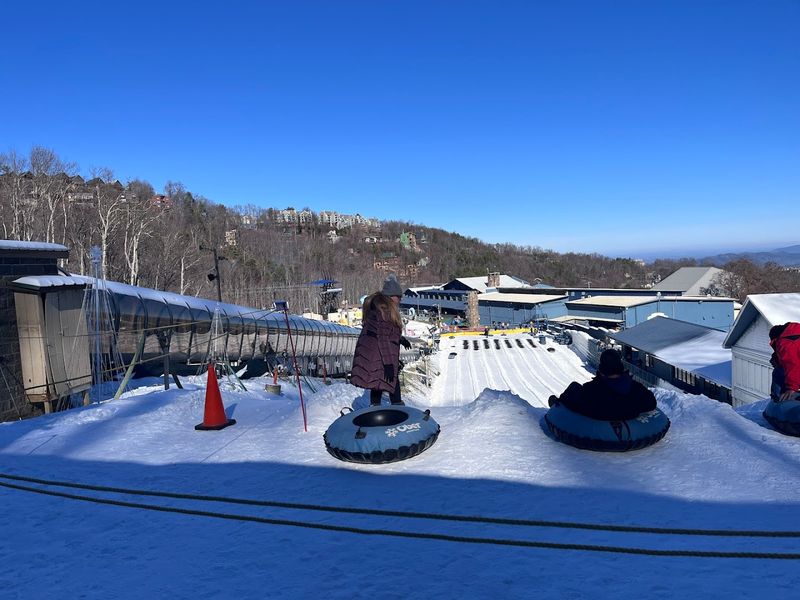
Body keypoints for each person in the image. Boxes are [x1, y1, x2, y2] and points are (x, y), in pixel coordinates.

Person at [350, 274, 412, 406]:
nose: (400, 300)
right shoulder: (384, 311)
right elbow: (383, 339)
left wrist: (400, 339)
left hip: (373, 353)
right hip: (377, 353)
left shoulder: (380, 308)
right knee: (389, 380)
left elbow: (385, 332)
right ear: (391, 297)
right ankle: (397, 408)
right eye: (398, 297)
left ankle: (376, 407)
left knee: (377, 382)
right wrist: (388, 364)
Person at [548, 349, 656, 421]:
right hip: (628, 416)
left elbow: (572, 404)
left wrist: (560, 402)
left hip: (599, 419)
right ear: (621, 367)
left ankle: (555, 403)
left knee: (574, 387)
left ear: (601, 369)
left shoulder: (590, 390)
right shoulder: (636, 388)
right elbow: (651, 403)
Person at [769, 322, 800, 402]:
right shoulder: (794, 334)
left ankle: (779, 401)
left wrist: (791, 388)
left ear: (775, 339)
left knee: (778, 372)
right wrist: (777, 360)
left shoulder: (785, 343)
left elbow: (792, 364)